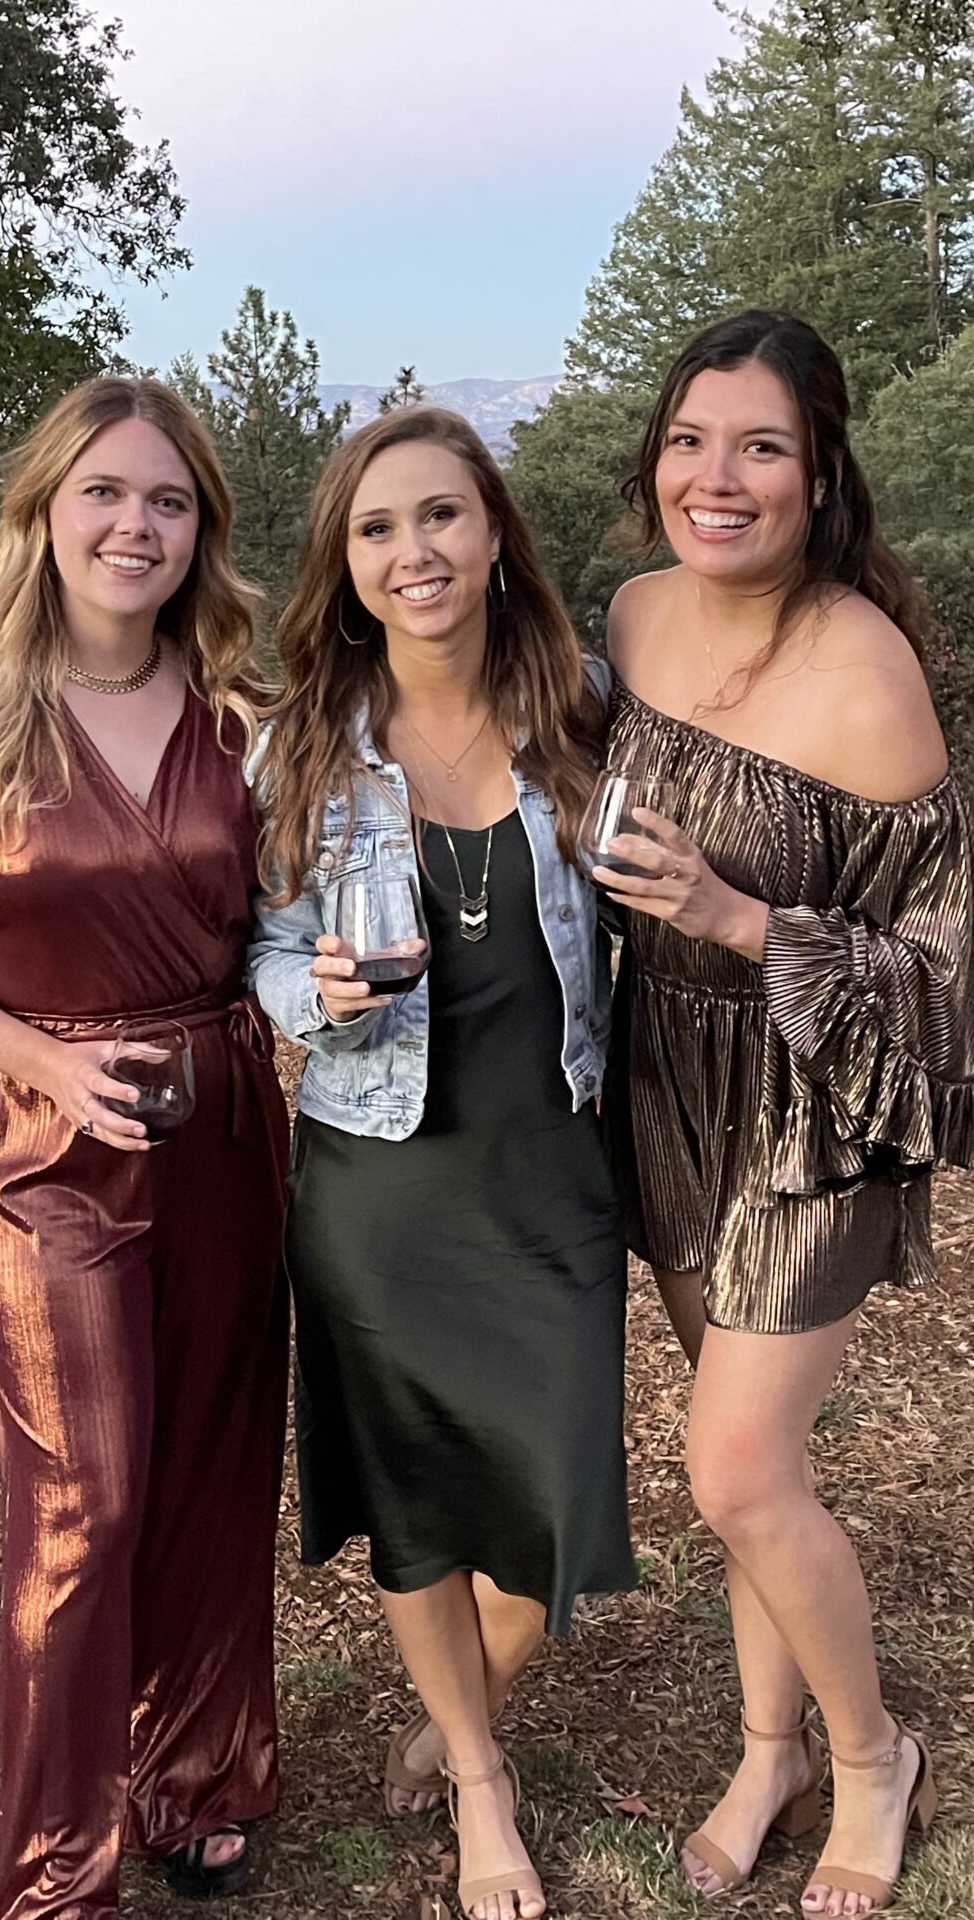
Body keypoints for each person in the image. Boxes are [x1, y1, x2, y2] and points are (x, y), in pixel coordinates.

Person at [0, 377, 290, 1919]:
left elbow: (285, 916)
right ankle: (58, 1872)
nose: (137, 525)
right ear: (45, 511)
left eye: (170, 501)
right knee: (88, 1494)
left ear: (203, 531)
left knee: (206, 1469)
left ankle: (195, 1777)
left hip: (223, 1125)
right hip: (38, 1148)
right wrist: (41, 1064)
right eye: (107, 493)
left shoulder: (237, 703)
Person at [597, 309, 974, 1916]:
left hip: (815, 1103)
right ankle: (773, 1750)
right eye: (691, 441)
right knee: (738, 1455)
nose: (717, 477)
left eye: (761, 447)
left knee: (740, 1470)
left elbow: (948, 974)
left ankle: (874, 1753)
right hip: (663, 1084)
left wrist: (745, 921)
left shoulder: (866, 672)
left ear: (821, 477)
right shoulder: (626, 615)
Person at [249, 406, 635, 1920]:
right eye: (377, 529)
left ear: (491, 536)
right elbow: (264, 954)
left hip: (548, 1168)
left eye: (441, 518)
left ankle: (457, 1698)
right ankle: (481, 1779)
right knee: (412, 1497)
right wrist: (315, 995)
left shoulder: (583, 706)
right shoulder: (301, 741)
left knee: (557, 1514)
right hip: (378, 1183)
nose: (414, 553)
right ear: (344, 564)